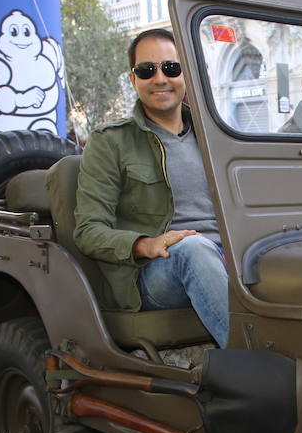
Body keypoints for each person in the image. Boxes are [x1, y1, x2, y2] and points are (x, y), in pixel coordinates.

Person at [73, 27, 229, 348]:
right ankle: (265, 375)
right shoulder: (110, 141)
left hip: (226, 257)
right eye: (147, 70)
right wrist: (147, 244)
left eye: (171, 68)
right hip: (153, 271)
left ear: (185, 74)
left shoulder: (216, 136)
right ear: (133, 80)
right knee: (194, 251)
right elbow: (88, 230)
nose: (160, 79)